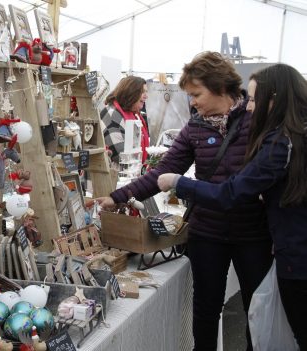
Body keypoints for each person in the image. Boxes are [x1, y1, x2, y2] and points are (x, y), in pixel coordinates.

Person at [96, 51, 272, 351]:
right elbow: (163, 171)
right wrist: (117, 197)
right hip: (207, 233)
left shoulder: (257, 121)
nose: (192, 102)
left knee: (257, 310)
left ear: (219, 87)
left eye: (196, 94)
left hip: (252, 232)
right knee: (205, 309)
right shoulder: (195, 128)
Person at [158, 63, 307, 349]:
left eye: (253, 98)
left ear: (274, 99)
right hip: (270, 245)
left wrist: (180, 182)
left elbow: (230, 192)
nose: (250, 107)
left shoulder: (280, 143)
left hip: (293, 257)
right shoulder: (295, 136)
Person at [100, 75, 149, 164]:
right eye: (143, 92)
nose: (146, 96)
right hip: (118, 175)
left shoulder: (134, 114)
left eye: (146, 92)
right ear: (131, 92)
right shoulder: (112, 115)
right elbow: (120, 157)